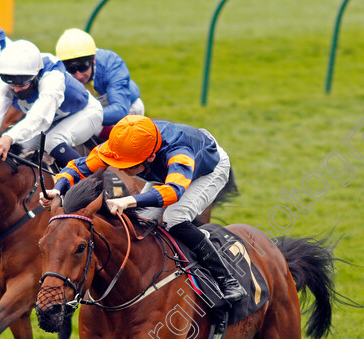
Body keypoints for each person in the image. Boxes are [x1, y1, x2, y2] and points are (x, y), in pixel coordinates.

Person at [42, 115, 247, 303]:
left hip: (206, 169)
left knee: (175, 217)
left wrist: (129, 201)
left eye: (128, 166)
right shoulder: (124, 145)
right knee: (144, 222)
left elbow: (173, 191)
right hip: (165, 173)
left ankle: (227, 279)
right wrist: (57, 190)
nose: (121, 169)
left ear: (149, 158)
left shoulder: (178, 153)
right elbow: (77, 166)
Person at [0, 40, 103, 167]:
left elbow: (39, 117)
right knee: (16, 148)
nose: (16, 89)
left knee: (52, 141)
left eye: (21, 83)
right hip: (51, 121)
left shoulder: (53, 77)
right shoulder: (5, 80)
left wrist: (8, 137)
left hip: (85, 112)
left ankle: (91, 180)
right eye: (11, 83)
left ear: (35, 75)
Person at [55, 28, 143, 139]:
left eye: (83, 67)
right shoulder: (57, 71)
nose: (79, 75)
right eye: (71, 69)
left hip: (128, 108)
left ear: (94, 60)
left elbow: (120, 110)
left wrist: (82, 117)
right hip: (91, 112)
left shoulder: (111, 62)